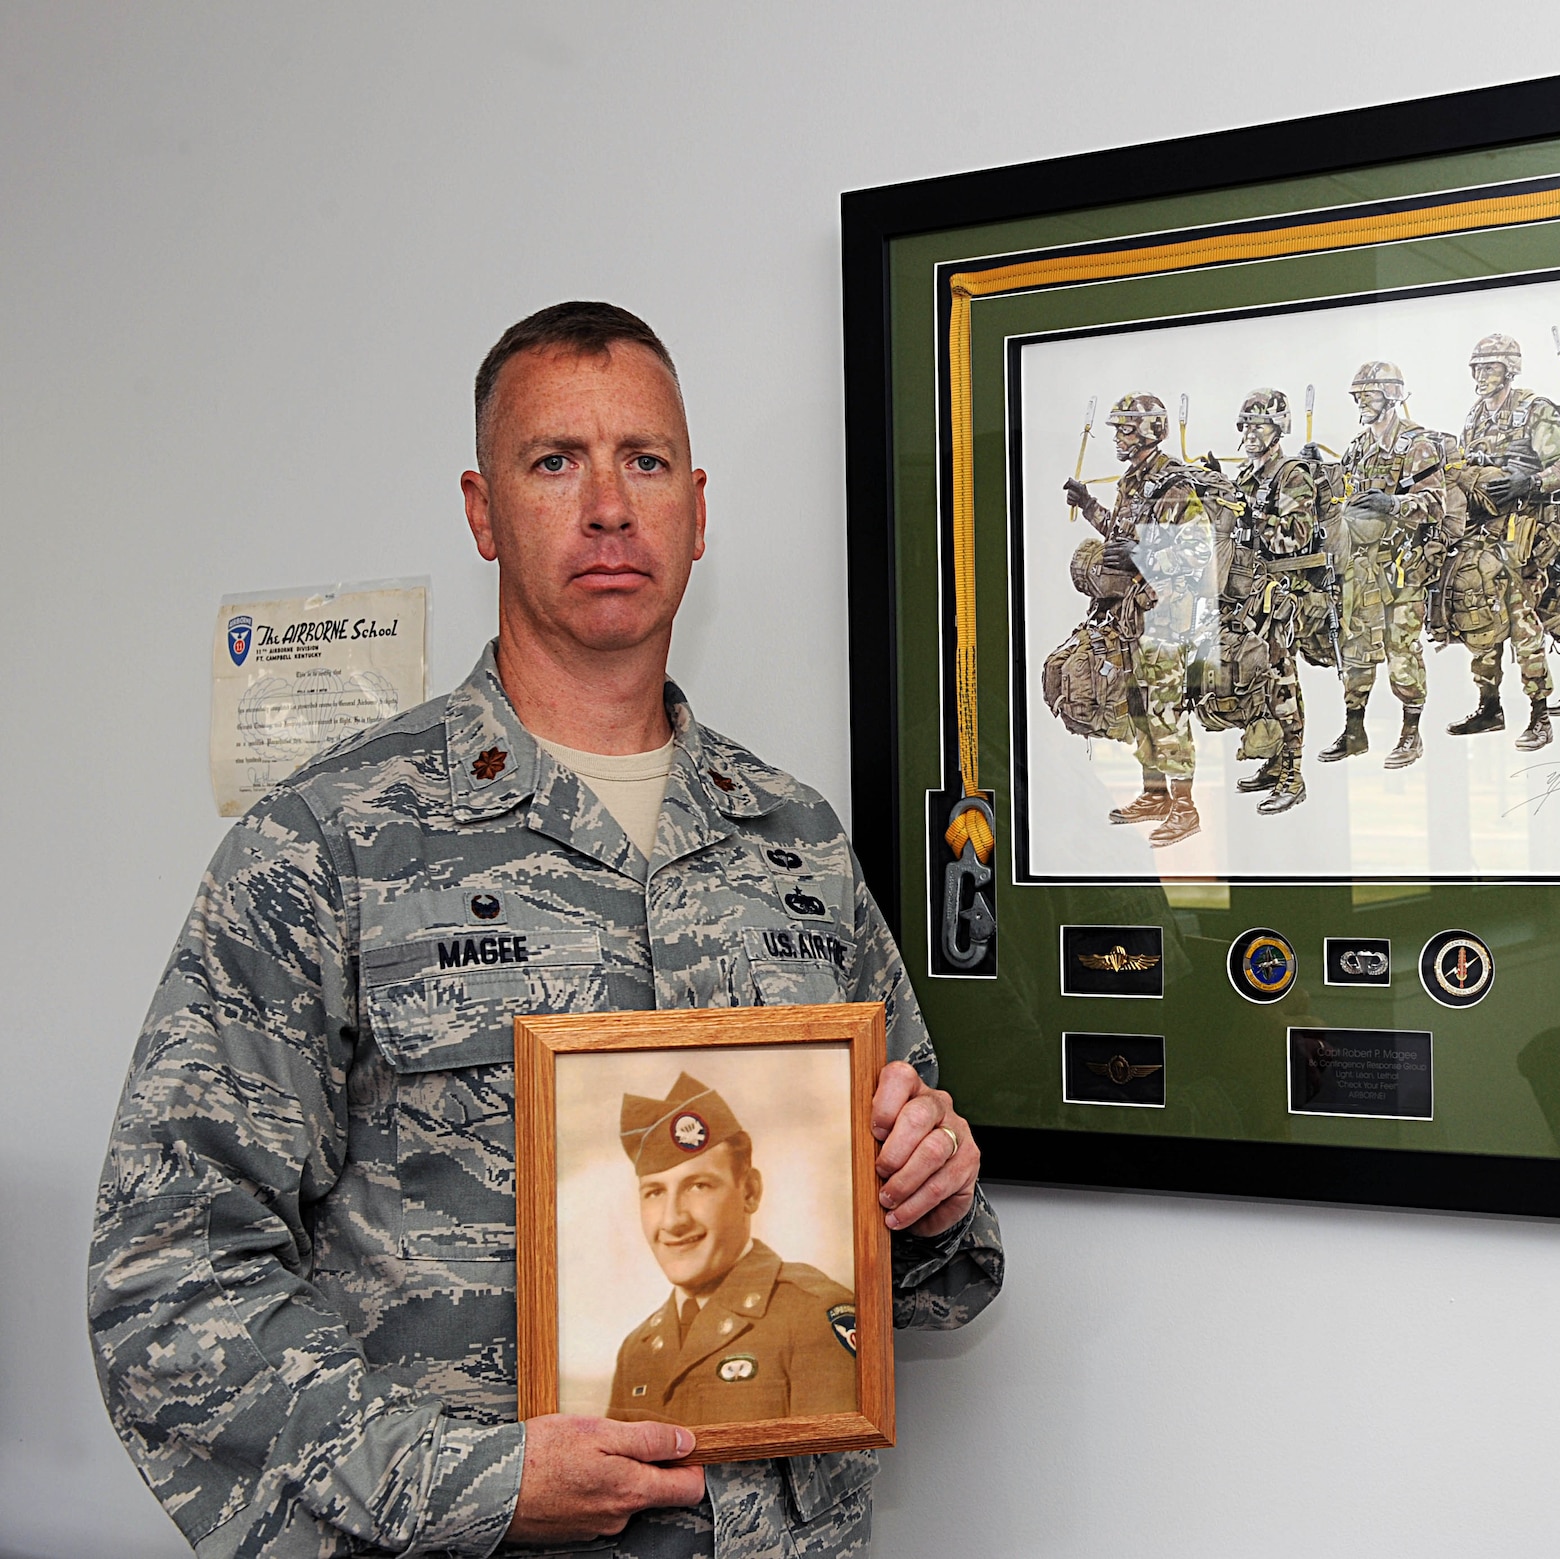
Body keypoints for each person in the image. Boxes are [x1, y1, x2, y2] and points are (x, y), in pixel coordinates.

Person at [89, 301, 1002, 1558]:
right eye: (554, 460)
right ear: (482, 508)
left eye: (644, 460)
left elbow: (920, 1261)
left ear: (694, 504)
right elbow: (166, 1276)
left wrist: (932, 1195)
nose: (610, 506)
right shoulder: (331, 843)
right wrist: (466, 1482)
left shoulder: (793, 839)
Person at [608, 1076, 858, 1425]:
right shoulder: (637, 1349)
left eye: (698, 1185)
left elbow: (834, 1473)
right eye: (654, 1192)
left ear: (750, 1192)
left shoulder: (812, 1316)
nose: (673, 1220)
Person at [1064, 392, 1233, 846]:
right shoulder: (1131, 482)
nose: (1117, 438)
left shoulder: (1173, 484)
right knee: (1136, 705)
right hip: (1131, 615)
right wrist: (1089, 506)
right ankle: (1154, 795)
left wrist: (1141, 552)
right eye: (1117, 429)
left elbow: (1198, 551)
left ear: (1148, 432)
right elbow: (1120, 536)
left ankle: (1186, 809)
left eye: (1125, 429)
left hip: (1165, 617)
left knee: (1165, 710)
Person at [1444, 332, 1560, 751]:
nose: (1482, 374)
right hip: (1484, 532)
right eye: (1478, 367)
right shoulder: (1475, 416)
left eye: (1490, 367)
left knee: (1522, 621)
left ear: (1509, 369)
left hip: (1527, 531)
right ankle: (1490, 707)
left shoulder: (1534, 410)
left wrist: (1533, 480)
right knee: (1478, 615)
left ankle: (1540, 716)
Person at [1317, 361, 1457, 770]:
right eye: (1358, 395)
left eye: (1370, 394)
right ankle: (1355, 729)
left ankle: (1410, 735)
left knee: (1402, 651)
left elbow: (1435, 503)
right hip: (1360, 570)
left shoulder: (1417, 444)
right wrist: (1316, 468)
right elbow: (1342, 492)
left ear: (1392, 396)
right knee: (1357, 648)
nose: (1362, 401)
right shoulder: (1358, 446)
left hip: (1403, 568)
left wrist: (1394, 503)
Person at [1209, 387, 1316, 813]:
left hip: (1281, 594)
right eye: (1246, 425)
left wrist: (1250, 517)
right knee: (1256, 680)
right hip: (1246, 593)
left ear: (1279, 428)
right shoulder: (1248, 476)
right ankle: (1273, 762)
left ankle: (1294, 774)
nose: (1251, 433)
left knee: (1282, 681)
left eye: (1261, 425)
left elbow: (1296, 535)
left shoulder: (1291, 474)